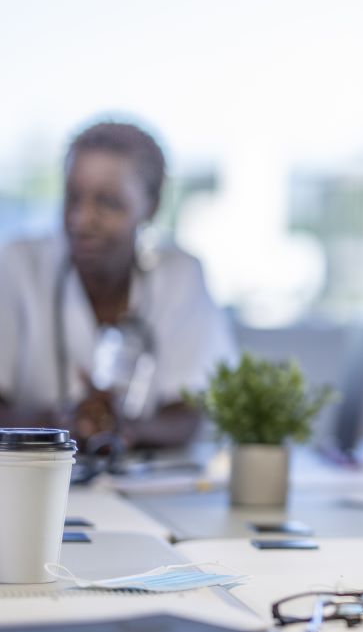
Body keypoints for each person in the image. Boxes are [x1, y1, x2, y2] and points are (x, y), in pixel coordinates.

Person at [0, 121, 236, 450]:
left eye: (108, 203)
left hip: (145, 485)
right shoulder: (18, 264)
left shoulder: (180, 275)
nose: (82, 219)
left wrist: (125, 430)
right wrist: (58, 424)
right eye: (73, 197)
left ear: (151, 206)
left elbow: (188, 414)